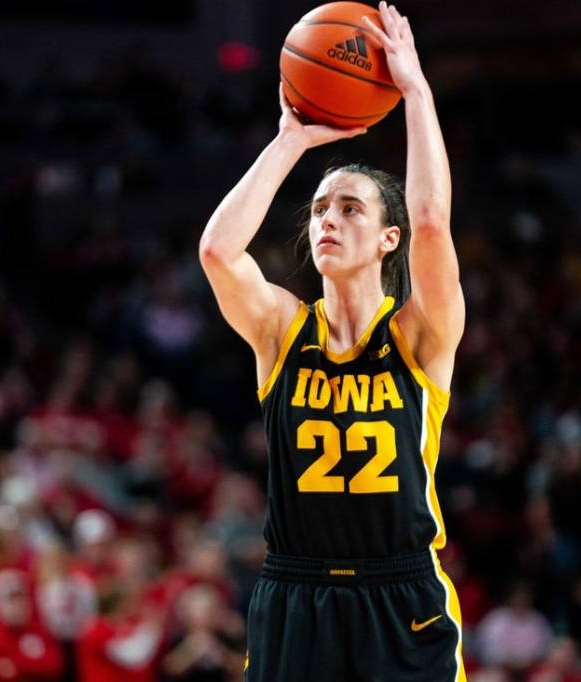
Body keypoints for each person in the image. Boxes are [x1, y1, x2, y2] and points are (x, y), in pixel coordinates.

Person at [198, 3, 466, 680]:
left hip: (402, 591)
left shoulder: (418, 335)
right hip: (298, 592)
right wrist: (291, 140)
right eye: (319, 208)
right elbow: (218, 252)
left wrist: (416, 93)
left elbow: (432, 221)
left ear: (387, 239)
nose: (328, 219)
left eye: (350, 208)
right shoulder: (283, 331)